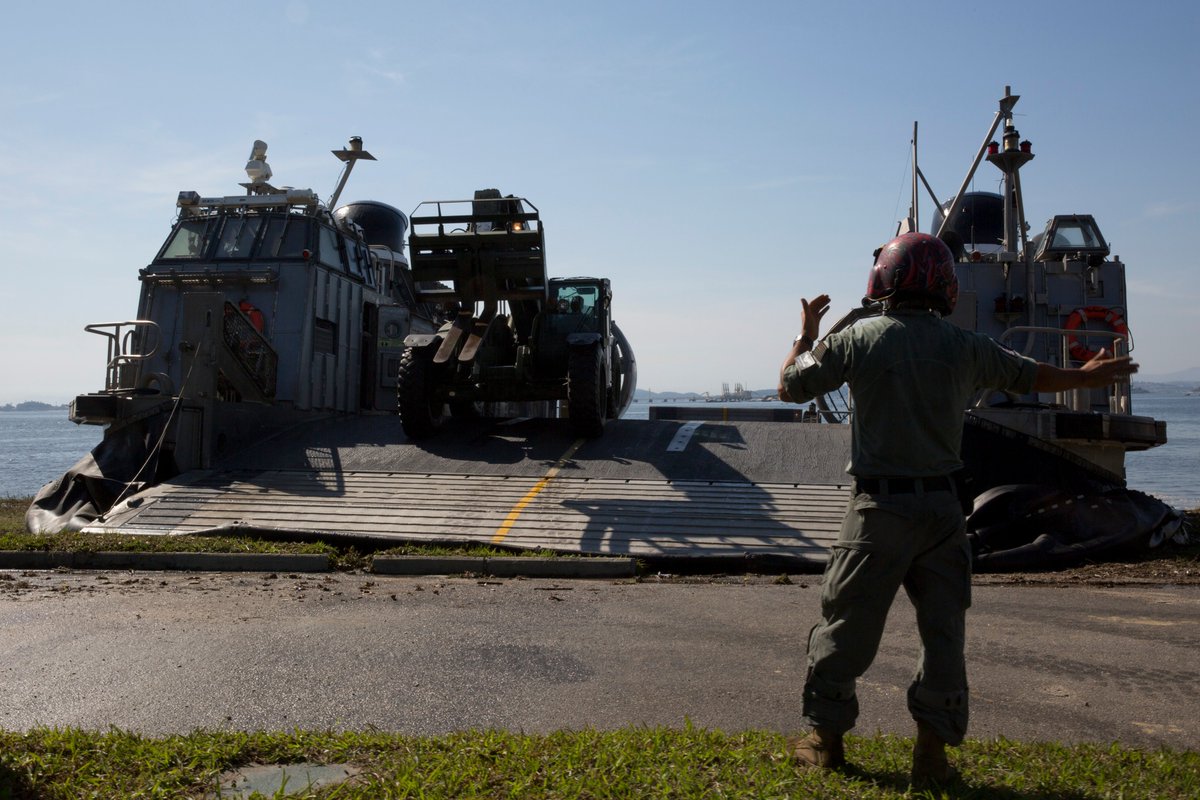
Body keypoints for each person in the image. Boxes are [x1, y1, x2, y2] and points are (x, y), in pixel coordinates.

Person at [776, 232, 1138, 788]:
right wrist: (1083, 378)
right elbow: (1029, 375)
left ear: (884, 281)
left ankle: (823, 738)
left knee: (846, 625)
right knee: (943, 635)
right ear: (944, 285)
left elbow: (790, 388)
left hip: (879, 510)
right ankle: (932, 754)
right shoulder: (964, 346)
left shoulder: (858, 339)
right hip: (945, 512)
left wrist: (804, 337)